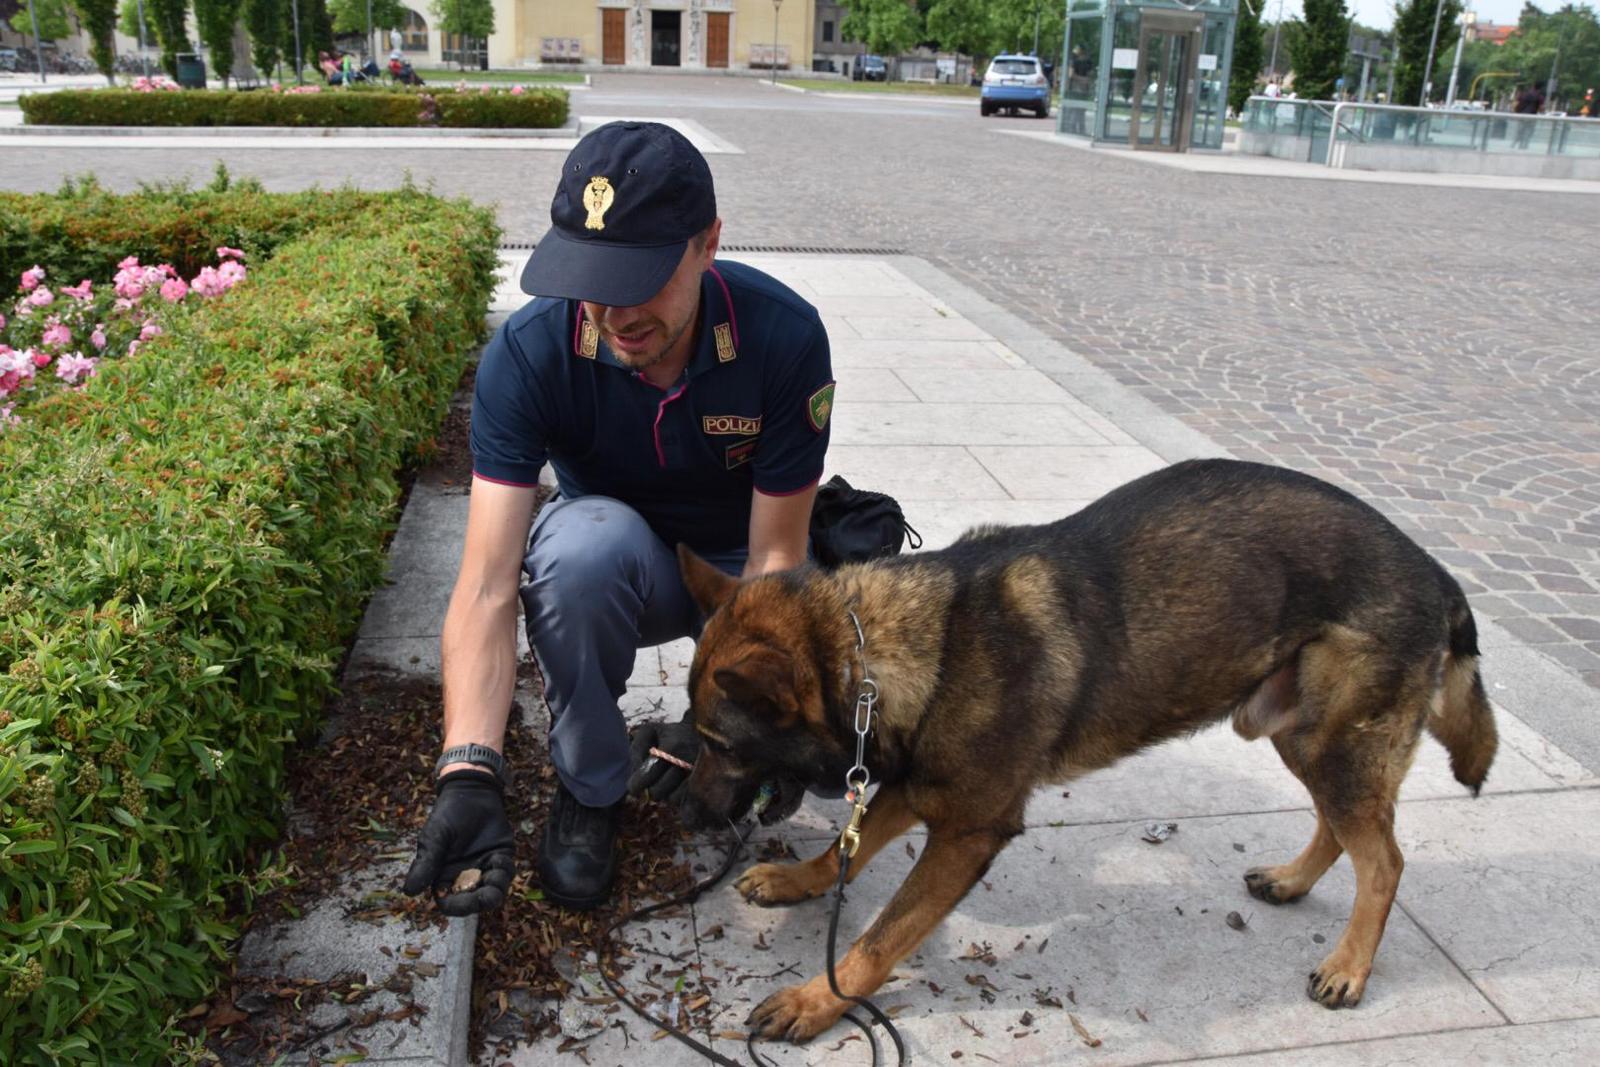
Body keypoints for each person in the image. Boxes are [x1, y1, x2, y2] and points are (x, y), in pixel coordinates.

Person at [401, 122, 835, 915]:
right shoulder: (531, 353)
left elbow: (777, 559)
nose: (616, 310)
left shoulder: (783, 336)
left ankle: (721, 740)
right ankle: (590, 788)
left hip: (736, 562)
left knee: (839, 648)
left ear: (709, 243)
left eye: (642, 276)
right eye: (594, 276)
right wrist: (468, 768)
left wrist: (722, 727)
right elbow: (488, 586)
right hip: (615, 562)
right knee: (573, 553)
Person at [1513, 82, 1545, 148]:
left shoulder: (1523, 94)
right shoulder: (1540, 97)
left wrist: (1516, 112)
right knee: (1529, 131)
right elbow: (1541, 109)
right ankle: (1525, 145)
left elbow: (1515, 105)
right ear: (1540, 89)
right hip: (1532, 116)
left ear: (1532, 86)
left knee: (1519, 130)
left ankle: (1514, 144)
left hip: (1522, 116)